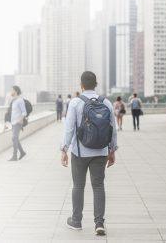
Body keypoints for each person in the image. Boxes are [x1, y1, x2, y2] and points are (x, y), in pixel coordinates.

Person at [61, 71, 118, 236]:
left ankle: (76, 220)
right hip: (100, 151)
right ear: (96, 84)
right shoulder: (106, 102)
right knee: (98, 186)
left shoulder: (75, 103)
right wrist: (112, 150)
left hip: (80, 152)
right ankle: (99, 223)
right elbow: (112, 129)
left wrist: (64, 149)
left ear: (81, 85)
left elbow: (69, 128)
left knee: (78, 186)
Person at [5, 85, 27, 161]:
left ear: (16, 91)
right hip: (13, 122)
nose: (11, 92)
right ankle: (22, 152)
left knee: (14, 138)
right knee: (15, 138)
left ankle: (15, 156)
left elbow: (24, 112)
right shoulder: (14, 100)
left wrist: (20, 120)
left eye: (12, 90)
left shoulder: (20, 100)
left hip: (18, 122)